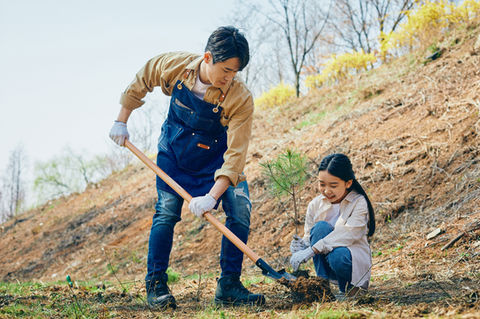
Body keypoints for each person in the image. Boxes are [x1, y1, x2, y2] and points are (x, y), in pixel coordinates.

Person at [109, 26, 265, 309]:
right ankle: (156, 284)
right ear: (208, 57)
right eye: (227, 70)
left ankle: (229, 286)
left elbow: (236, 155)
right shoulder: (176, 66)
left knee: (240, 208)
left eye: (236, 72)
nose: (230, 78)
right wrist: (122, 119)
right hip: (175, 154)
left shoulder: (240, 98)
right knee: (166, 213)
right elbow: (144, 76)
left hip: (216, 161)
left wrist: (212, 196)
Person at [289, 153, 375, 299]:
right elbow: (310, 236)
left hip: (348, 262)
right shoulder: (315, 205)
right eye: (322, 184)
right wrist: (301, 246)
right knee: (320, 227)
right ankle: (323, 288)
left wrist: (312, 249)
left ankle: (350, 290)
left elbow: (348, 234)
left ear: (348, 183)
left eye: (333, 185)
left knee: (337, 254)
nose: (327, 190)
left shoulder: (358, 202)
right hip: (327, 262)